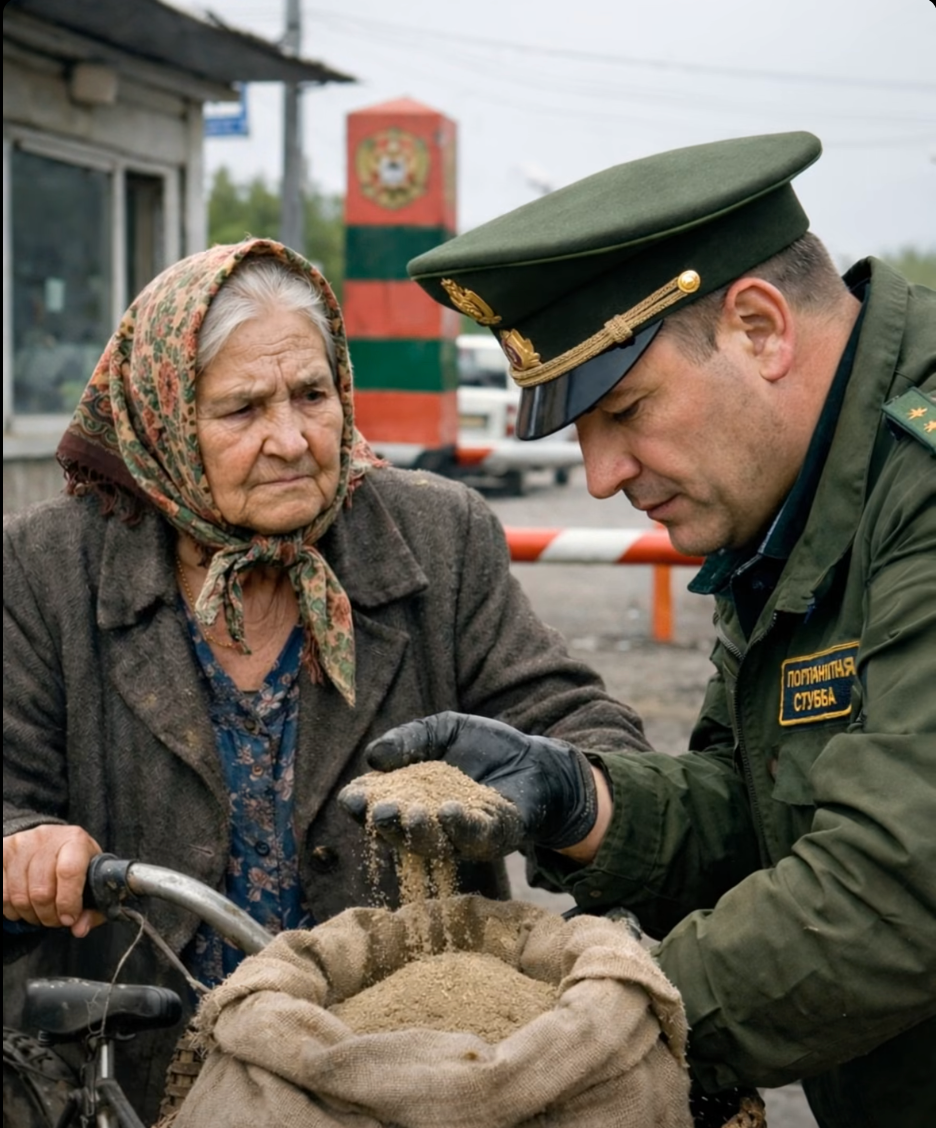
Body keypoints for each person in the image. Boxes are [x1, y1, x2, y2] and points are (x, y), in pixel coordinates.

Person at [340, 132, 936, 1127]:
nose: (602, 474)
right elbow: (764, 812)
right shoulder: (805, 486)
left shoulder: (913, 482)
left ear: (760, 330)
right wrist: (586, 802)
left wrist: (590, 1038)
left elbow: (900, 886)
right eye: (582, 432)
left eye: (625, 409)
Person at [2, 238, 651, 1123]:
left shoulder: (436, 535)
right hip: (143, 1067)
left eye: (312, 395)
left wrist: (568, 787)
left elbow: (581, 725)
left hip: (398, 1071)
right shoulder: (45, 567)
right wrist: (28, 843)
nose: (293, 439)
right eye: (242, 409)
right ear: (162, 420)